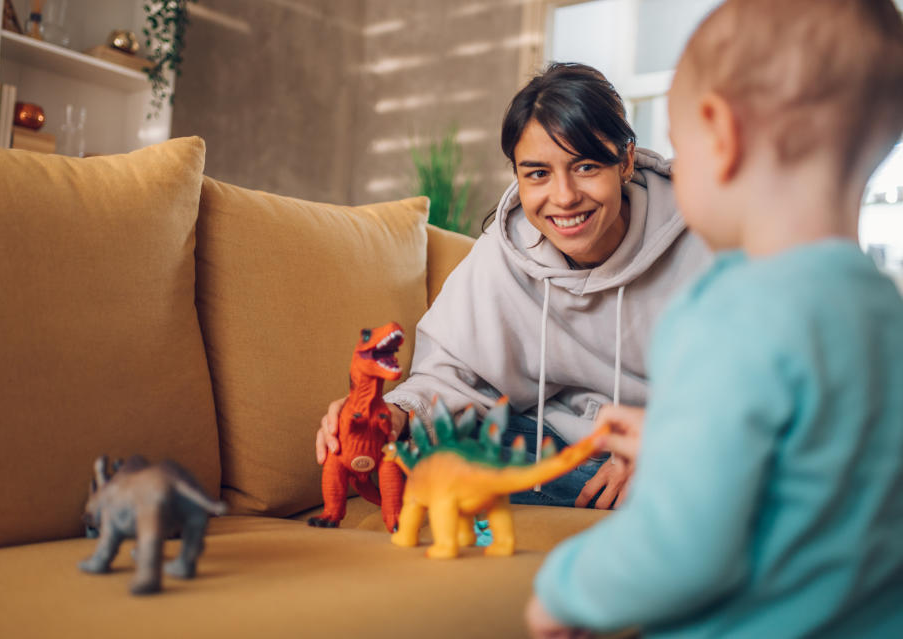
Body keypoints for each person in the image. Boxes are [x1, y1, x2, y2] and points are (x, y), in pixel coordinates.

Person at [527, 0, 903, 636]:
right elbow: (826, 466)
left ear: (719, 135)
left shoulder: (728, 310)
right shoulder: (882, 311)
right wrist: (677, 440)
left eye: (677, 147)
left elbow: (683, 547)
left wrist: (566, 590)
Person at [316, 63, 710, 509]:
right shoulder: (506, 253)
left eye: (585, 166)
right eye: (537, 173)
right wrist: (391, 416)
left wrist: (668, 445)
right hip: (559, 445)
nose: (563, 197)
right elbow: (451, 374)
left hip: (677, 447)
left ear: (626, 162)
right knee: (425, 450)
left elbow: (763, 384)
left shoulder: (710, 235)